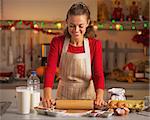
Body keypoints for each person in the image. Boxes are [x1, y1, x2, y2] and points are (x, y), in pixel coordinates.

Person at [43, 2, 105, 108]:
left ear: (88, 23)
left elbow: (98, 74)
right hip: (63, 100)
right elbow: (50, 70)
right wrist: (47, 96)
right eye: (72, 26)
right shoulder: (57, 42)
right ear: (67, 22)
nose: (76, 30)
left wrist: (99, 97)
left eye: (80, 26)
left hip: (87, 101)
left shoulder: (95, 45)